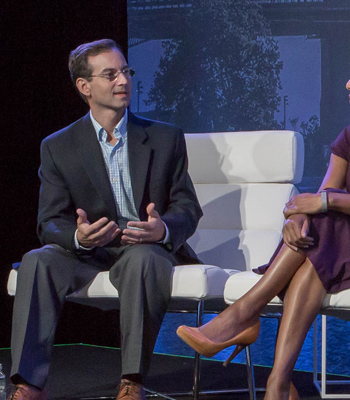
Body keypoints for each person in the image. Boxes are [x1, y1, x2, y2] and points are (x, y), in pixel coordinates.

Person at [175, 33, 350, 400]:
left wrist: (321, 206)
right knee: (314, 246)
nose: (348, 84)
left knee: (328, 218)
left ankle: (244, 313)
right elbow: (317, 202)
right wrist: (295, 224)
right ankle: (278, 383)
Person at [7, 39, 203, 400]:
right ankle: (28, 384)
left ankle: (132, 382)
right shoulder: (58, 146)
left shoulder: (165, 137)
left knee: (142, 260)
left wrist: (162, 229)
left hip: (144, 249)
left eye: (126, 71)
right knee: (36, 260)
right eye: (111, 74)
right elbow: (50, 221)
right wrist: (79, 236)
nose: (123, 81)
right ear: (85, 87)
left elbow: (187, 207)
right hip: (87, 252)